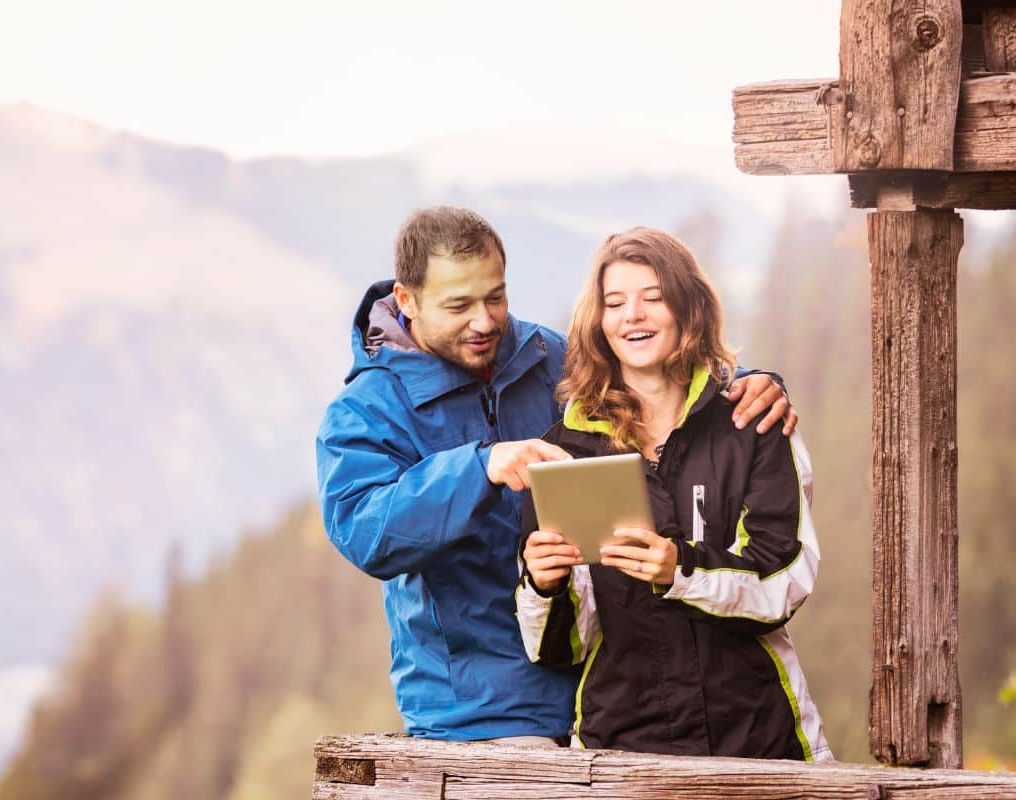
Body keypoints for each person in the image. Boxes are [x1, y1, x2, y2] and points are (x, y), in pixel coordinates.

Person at [316, 206, 797, 745]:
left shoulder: (548, 358)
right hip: (484, 708)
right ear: (406, 300)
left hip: (613, 686)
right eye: (459, 306)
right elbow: (364, 532)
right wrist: (479, 467)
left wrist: (752, 383)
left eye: (495, 297)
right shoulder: (365, 410)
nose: (485, 321)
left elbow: (656, 369)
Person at [516, 227, 832, 760]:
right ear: (598, 324)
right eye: (614, 303)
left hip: (758, 739)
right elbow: (561, 647)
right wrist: (544, 587)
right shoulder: (563, 451)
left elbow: (784, 581)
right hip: (622, 747)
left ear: (689, 308)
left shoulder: (753, 422)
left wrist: (678, 570)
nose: (631, 315)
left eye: (653, 298)